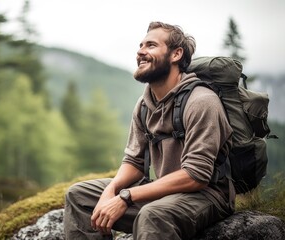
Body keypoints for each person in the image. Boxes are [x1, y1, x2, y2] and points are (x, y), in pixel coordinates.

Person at [64, 21, 235, 240]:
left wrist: (126, 197)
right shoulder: (144, 105)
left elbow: (196, 176)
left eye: (151, 45)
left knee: (152, 215)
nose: (140, 51)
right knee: (79, 196)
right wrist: (112, 189)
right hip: (163, 191)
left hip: (206, 195)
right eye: (140, 45)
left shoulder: (202, 102)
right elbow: (135, 162)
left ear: (176, 54)